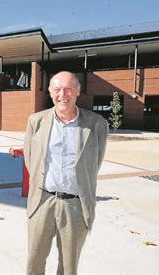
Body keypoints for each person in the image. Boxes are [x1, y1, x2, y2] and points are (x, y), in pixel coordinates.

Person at [23, 71, 108, 274]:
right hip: (42, 201)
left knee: (69, 266)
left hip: (76, 205)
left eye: (69, 89)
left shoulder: (96, 124)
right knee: (34, 262)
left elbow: (94, 164)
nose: (63, 94)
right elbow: (30, 159)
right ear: (51, 93)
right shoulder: (36, 121)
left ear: (78, 91)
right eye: (57, 89)